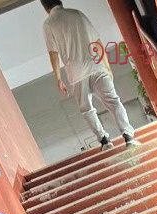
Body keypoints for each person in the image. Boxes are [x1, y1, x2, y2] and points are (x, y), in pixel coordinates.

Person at [41, 0, 141, 150]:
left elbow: (53, 54)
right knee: (114, 102)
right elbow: (97, 41)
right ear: (60, 1)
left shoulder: (48, 24)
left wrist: (58, 79)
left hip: (76, 73)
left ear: (45, 7)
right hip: (96, 66)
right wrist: (107, 66)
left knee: (87, 109)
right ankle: (128, 136)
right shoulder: (77, 14)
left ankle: (105, 141)